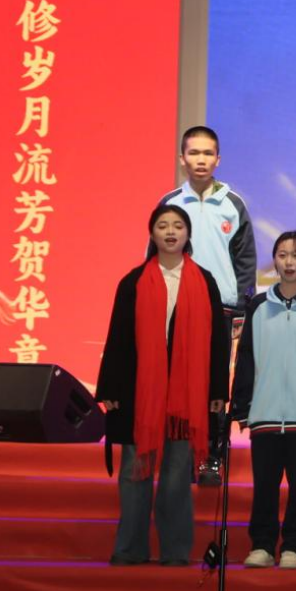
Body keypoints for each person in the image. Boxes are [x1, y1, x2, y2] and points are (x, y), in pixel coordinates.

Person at [96, 205, 231, 567]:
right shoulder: (134, 282)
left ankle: (174, 552)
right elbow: (118, 338)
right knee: (134, 470)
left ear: (188, 234)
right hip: (140, 393)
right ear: (152, 234)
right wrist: (109, 389)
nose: (170, 232)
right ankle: (130, 549)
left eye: (177, 226)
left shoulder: (204, 282)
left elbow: (218, 342)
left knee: (176, 475)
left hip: (187, 395)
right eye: (162, 226)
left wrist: (218, 390)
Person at [153, 125, 256, 487]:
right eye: (194, 153)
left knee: (214, 385)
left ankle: (212, 455)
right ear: (182, 159)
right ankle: (179, 454)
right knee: (178, 384)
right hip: (177, 308)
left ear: (218, 159)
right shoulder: (170, 204)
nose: (201, 160)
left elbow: (245, 261)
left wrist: (243, 308)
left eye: (207, 153)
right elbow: (153, 257)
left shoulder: (233, 204)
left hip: (221, 310)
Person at [231, 231, 296, 570]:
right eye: (282, 255)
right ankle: (262, 545)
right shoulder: (259, 306)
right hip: (265, 414)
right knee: (264, 485)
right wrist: (242, 406)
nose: (289, 262)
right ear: (274, 260)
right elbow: (246, 359)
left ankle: (293, 545)